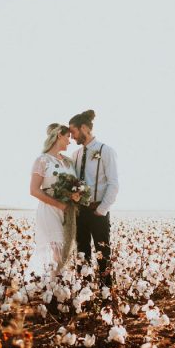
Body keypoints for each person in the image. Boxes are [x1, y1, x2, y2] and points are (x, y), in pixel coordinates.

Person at [69, 110, 119, 287]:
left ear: (84, 128)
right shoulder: (75, 155)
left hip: (98, 212)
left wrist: (101, 209)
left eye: (73, 132)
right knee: (82, 254)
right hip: (79, 213)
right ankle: (85, 293)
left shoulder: (106, 151)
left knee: (103, 254)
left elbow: (113, 184)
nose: (72, 137)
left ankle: (107, 293)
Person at [27, 123, 77, 280]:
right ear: (59, 135)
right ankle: (53, 285)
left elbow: (75, 185)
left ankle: (58, 285)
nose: (70, 141)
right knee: (57, 249)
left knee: (67, 249)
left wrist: (76, 195)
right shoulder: (42, 160)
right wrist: (58, 204)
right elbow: (34, 190)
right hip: (49, 209)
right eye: (68, 137)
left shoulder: (69, 162)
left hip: (68, 211)